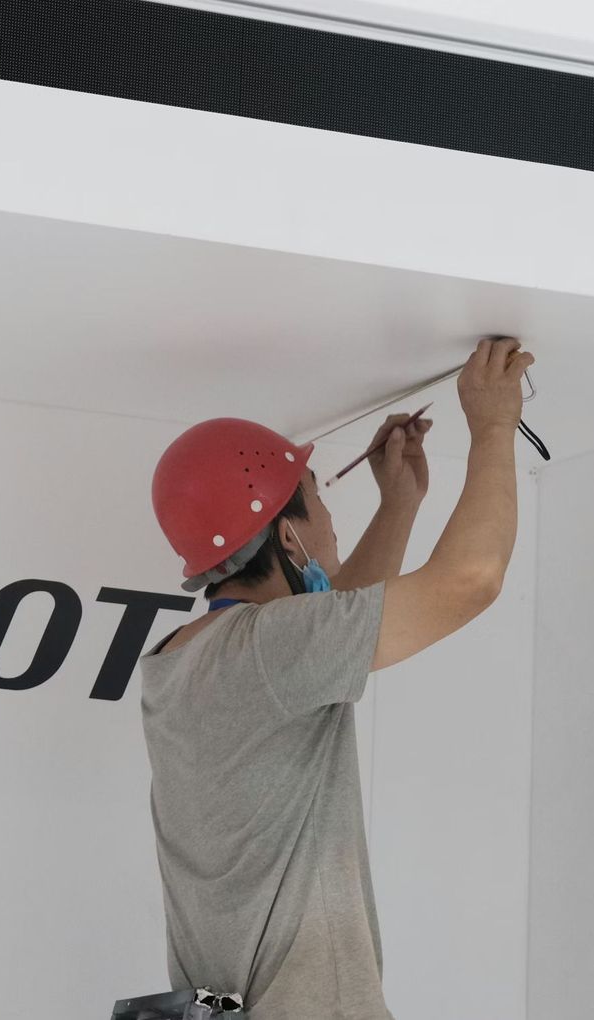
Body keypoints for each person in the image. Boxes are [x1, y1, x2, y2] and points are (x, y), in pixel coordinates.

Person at [139, 337, 535, 1019]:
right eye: (317, 503)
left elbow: (323, 636)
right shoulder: (268, 651)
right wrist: (493, 426)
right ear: (286, 538)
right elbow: (471, 581)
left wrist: (398, 505)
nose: (327, 521)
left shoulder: (175, 659)